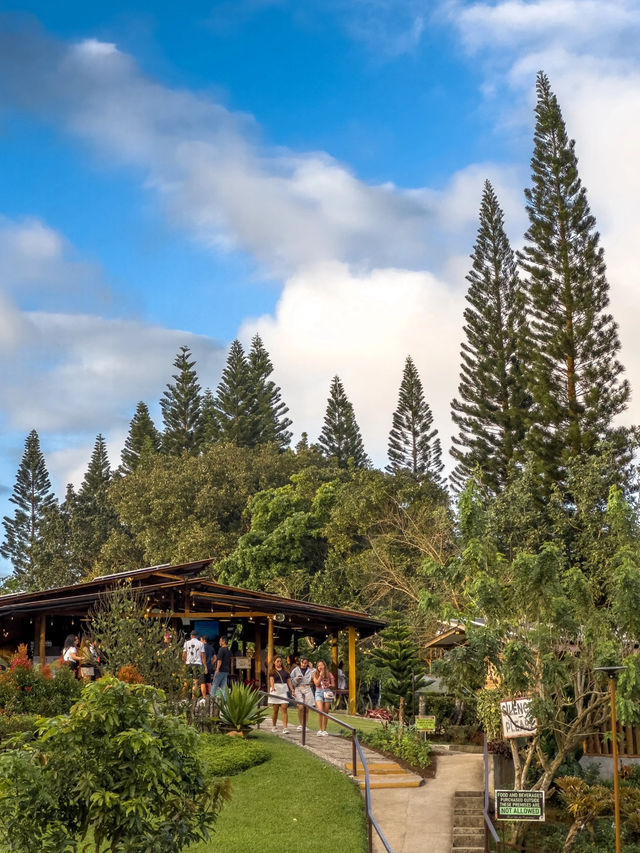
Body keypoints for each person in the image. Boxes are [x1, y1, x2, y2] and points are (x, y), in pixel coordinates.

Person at [268, 655, 294, 734]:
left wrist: (292, 690)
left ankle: (285, 727)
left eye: (280, 661)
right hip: (276, 689)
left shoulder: (285, 671)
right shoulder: (272, 671)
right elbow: (271, 680)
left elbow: (289, 681)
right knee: (275, 710)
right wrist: (272, 687)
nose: (279, 663)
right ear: (274, 662)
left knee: (284, 708)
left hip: (283, 689)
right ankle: (274, 725)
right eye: (277, 661)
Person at [290, 655, 315, 729]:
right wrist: (296, 679)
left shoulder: (310, 670)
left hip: (307, 687)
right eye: (303, 663)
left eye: (306, 663)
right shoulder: (296, 670)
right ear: (300, 662)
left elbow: (317, 673)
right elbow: (290, 679)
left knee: (307, 708)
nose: (304, 664)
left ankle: (305, 725)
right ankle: (300, 724)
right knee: (300, 707)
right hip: (298, 687)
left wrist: (312, 667)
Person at [312, 659, 335, 736]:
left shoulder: (329, 674)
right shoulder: (315, 674)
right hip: (319, 692)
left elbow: (333, 685)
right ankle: (320, 729)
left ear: (324, 665)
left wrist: (329, 684)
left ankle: (324, 730)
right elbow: (316, 684)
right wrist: (320, 676)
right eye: (318, 666)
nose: (320, 667)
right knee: (320, 710)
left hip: (327, 692)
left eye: (321, 665)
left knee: (326, 712)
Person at [182, 629, 206, 697]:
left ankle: (183, 697)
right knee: (195, 682)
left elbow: (183, 655)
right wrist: (205, 666)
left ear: (191, 636)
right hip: (197, 664)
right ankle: (193, 698)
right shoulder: (201, 643)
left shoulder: (186, 643)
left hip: (188, 663)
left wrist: (184, 664)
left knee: (186, 681)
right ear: (197, 636)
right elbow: (203, 656)